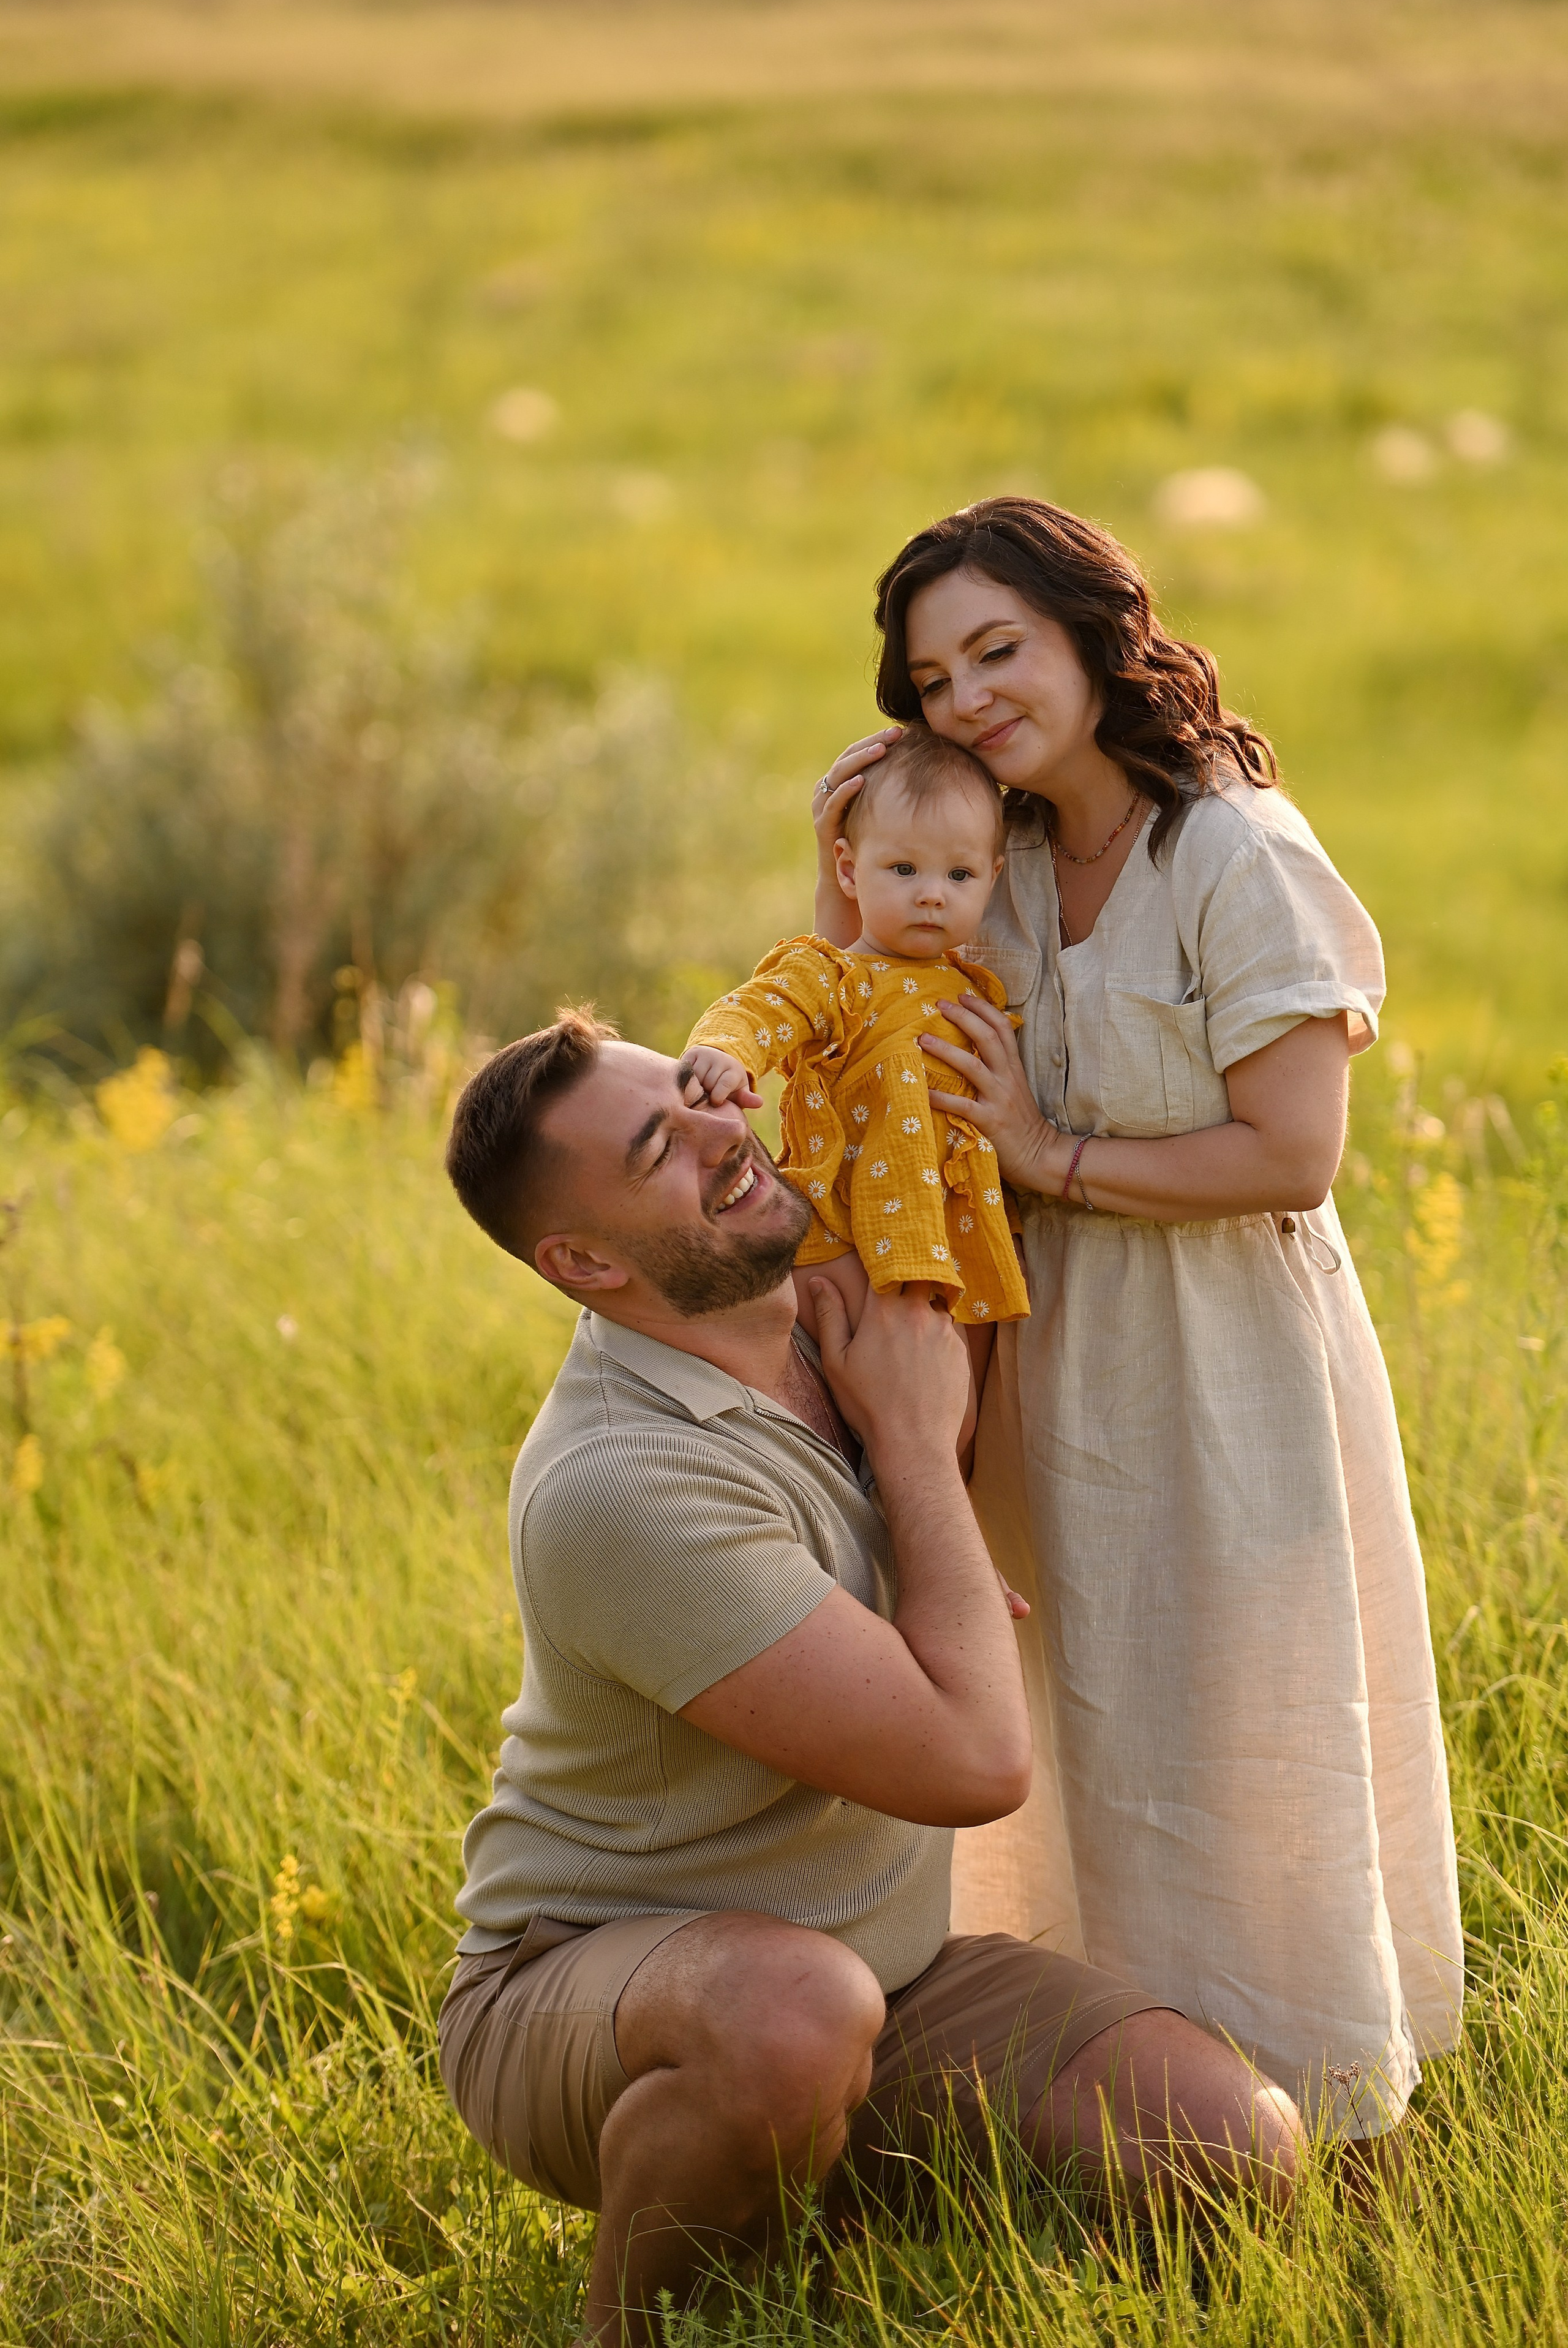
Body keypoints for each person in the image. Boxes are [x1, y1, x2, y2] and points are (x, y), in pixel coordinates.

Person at [439, 1011, 1302, 2341]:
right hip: (591, 1994)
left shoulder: (812, 1296)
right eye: (661, 1144)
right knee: (790, 2016)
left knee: (1231, 2146)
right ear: (582, 1261)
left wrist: (862, 832)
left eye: (693, 1088)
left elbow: (872, 986)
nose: (725, 1128)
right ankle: (640, 2325)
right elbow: (971, 1766)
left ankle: (803, 2206)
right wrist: (911, 1441)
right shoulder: (621, 1487)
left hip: (880, 1976)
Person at [809, 497, 1463, 2157]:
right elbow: (875, 1037)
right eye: (933, 676)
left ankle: (1321, 2127)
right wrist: (847, 884)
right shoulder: (1003, 851)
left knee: (1239, 1719)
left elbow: (1292, 1153)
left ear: (1097, 627)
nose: (967, 701)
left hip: (1219, 1356)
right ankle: (1123, 2112)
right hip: (1042, 1360)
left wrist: (1045, 1155)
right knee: (1082, 1717)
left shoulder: (1234, 851)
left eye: (998, 651)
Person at [682, 726, 1028, 1406]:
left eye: (958, 876)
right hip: (852, 1235)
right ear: (848, 869)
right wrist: (727, 1052)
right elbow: (764, 1007)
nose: (932, 894)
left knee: (959, 1426)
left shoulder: (975, 988)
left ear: (991, 877)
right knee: (876, 1412)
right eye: (903, 871)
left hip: (958, 1228)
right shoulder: (838, 975)